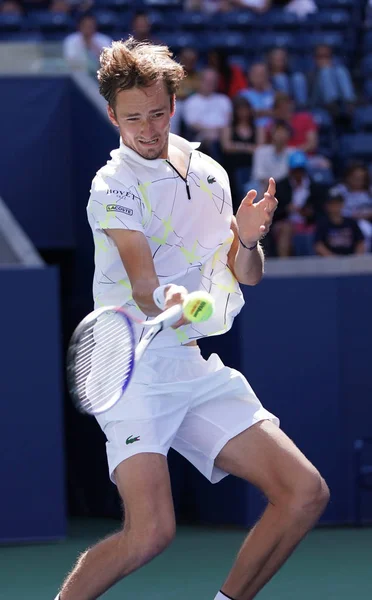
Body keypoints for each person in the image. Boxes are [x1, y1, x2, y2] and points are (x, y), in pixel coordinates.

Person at [54, 37, 329, 600]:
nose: (148, 129)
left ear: (173, 105)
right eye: (133, 119)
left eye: (157, 113)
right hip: (130, 367)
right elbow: (146, 288)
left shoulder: (208, 172)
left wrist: (248, 240)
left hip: (187, 361)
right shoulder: (112, 185)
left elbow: (245, 273)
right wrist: (184, 306)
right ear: (111, 116)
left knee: (304, 492)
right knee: (150, 533)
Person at [220, 95, 258, 207]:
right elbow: (226, 146)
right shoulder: (228, 128)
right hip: (234, 167)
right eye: (240, 110)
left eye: (245, 109)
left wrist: (238, 147)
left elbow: (259, 149)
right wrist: (247, 147)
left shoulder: (257, 129)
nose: (243, 113)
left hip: (253, 167)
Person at [314, 190, 366, 256]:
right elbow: (318, 245)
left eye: (337, 203)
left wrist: (356, 258)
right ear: (327, 205)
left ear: (342, 204)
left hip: (351, 260)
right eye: (332, 204)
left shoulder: (351, 222)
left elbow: (360, 242)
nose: (335, 206)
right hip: (329, 262)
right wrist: (333, 258)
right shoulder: (322, 224)